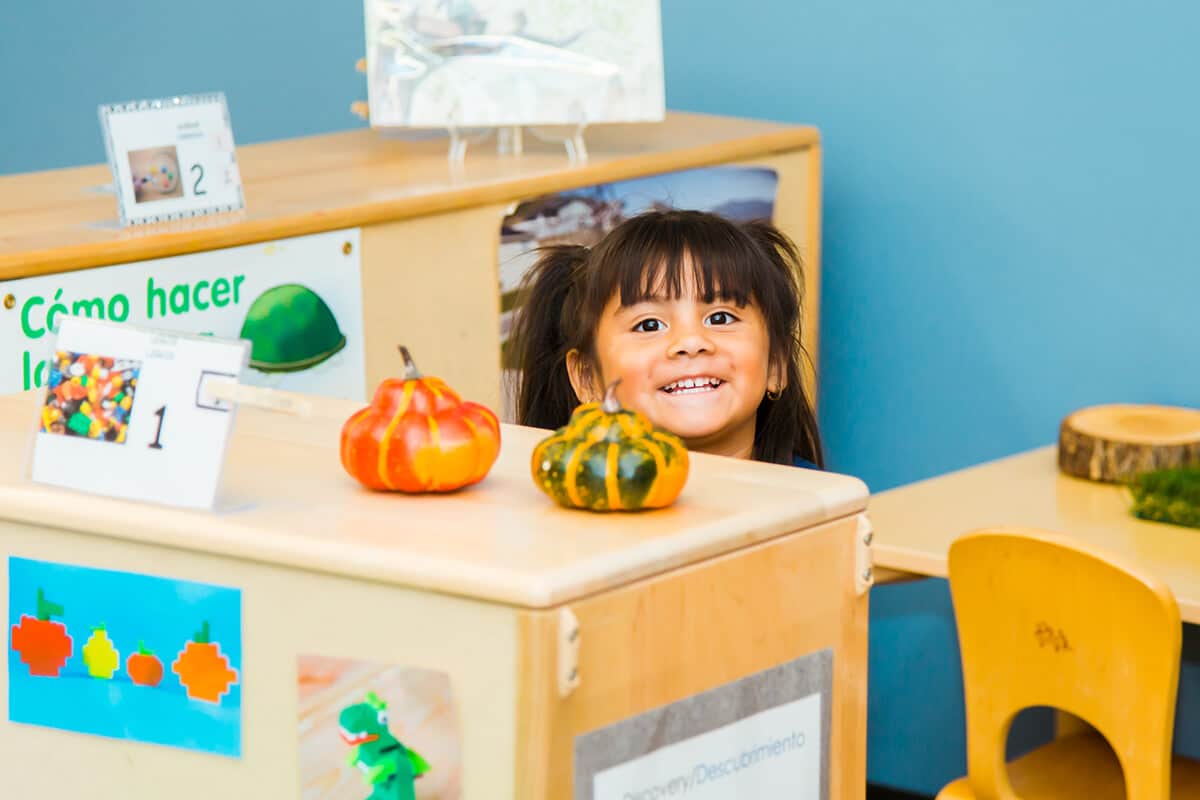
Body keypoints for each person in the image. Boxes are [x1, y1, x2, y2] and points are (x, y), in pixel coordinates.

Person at [508, 209, 823, 468]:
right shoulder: (566, 523)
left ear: (777, 363)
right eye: (648, 325)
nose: (690, 342)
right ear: (587, 377)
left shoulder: (827, 505)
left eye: (720, 318)